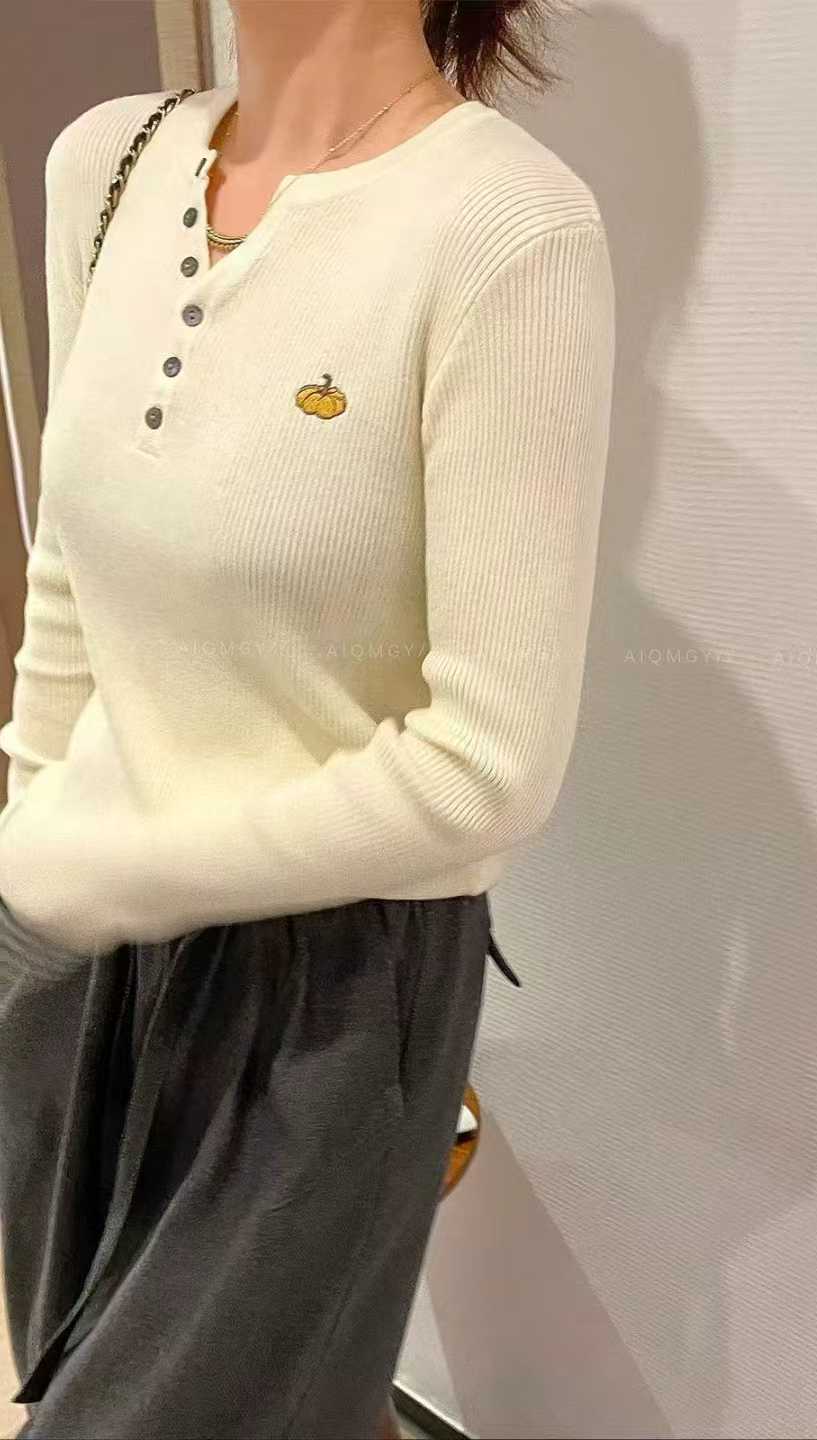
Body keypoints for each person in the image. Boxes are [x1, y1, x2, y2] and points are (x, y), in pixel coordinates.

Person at [0, 1, 615, 1435]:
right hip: (70, 950)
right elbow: (71, 572)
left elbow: (486, 769)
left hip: (323, 999)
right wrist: (25, 854)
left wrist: (107, 874)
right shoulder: (106, 165)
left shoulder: (504, 230)